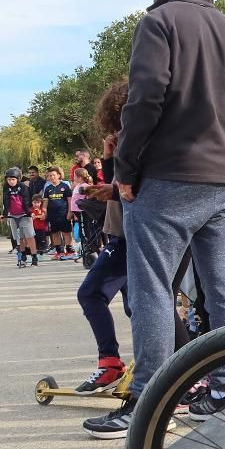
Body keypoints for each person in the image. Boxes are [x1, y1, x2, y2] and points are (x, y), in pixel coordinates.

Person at [82, 0, 225, 439]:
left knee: (152, 289)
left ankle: (148, 398)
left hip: (167, 176)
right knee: (224, 283)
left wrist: (124, 168)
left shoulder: (158, 22)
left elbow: (145, 98)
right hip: (223, 178)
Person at [74, 81, 133, 394]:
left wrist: (112, 189)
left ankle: (111, 364)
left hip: (130, 237)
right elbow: (117, 182)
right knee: (139, 307)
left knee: (92, 293)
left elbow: (134, 189)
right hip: (119, 233)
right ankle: (178, 371)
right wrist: (109, 158)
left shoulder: (138, 137)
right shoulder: (125, 140)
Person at [0, 168, 36, 268]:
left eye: (13, 179)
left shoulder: (23, 187)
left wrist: (29, 213)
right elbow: (6, 201)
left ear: (18, 179)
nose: (11, 181)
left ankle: (34, 257)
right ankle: (22, 257)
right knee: (19, 237)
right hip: (13, 215)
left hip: (24, 214)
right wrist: (4, 214)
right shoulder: (6, 187)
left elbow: (26, 201)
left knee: (29, 236)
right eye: (8, 179)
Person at [40, 166, 72, 259]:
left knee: (66, 232)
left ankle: (69, 251)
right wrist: (44, 212)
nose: (52, 177)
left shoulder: (65, 187)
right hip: (52, 215)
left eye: (53, 175)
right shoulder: (48, 188)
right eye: (50, 175)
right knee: (55, 232)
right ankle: (59, 252)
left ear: (58, 175)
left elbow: (70, 201)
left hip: (63, 213)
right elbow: (45, 202)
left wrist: (70, 212)